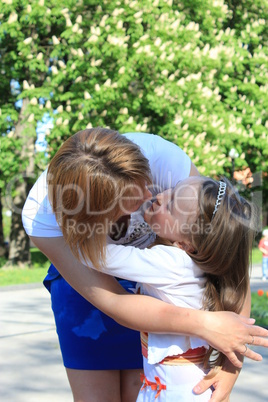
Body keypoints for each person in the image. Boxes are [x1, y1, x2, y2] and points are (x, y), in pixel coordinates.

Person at [22, 128, 268, 402]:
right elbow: (113, 300)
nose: (149, 199)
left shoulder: (164, 160)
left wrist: (230, 366)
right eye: (130, 201)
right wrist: (204, 323)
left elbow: (228, 258)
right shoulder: (41, 218)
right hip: (87, 291)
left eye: (148, 184)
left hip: (158, 287)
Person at [81, 176, 256, 400]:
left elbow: (96, 255)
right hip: (170, 388)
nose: (159, 195)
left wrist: (93, 212)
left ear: (186, 245)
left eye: (170, 205)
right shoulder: (191, 262)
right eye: (172, 189)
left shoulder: (172, 262)